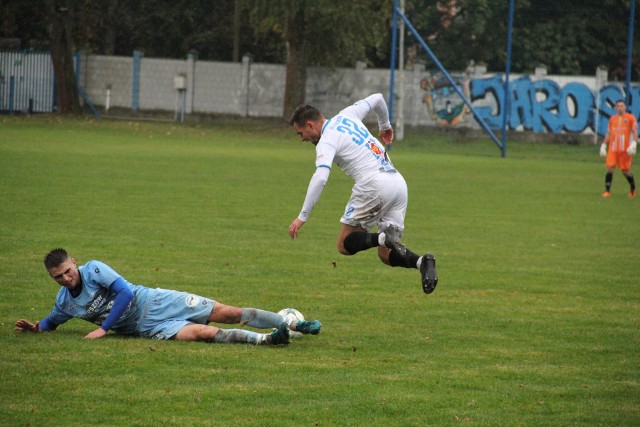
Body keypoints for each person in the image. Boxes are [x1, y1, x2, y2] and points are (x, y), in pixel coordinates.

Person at [288, 93, 438, 294]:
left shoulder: (326, 140)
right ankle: (423, 263)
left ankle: (383, 238)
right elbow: (378, 98)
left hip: (374, 185)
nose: (302, 139)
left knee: (343, 244)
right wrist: (384, 124)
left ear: (310, 125)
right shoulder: (348, 115)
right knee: (385, 255)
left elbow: (321, 177)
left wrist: (302, 216)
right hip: (398, 183)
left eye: (300, 134)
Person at [15, 248, 322, 345]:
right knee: (202, 333)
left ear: (73, 262)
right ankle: (268, 340)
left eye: (68, 271)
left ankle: (292, 323)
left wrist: (104, 327)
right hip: (147, 328)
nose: (67, 278)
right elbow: (54, 320)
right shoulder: (65, 302)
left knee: (228, 312)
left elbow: (123, 292)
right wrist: (38, 327)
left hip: (155, 301)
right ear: (52, 278)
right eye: (59, 277)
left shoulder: (94, 270)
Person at [600, 99, 638, 198]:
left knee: (625, 171)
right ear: (615, 108)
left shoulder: (630, 118)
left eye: (622, 106)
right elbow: (608, 133)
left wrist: (634, 143)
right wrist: (604, 145)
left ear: (625, 107)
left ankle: (633, 190)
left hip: (625, 150)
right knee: (610, 168)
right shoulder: (612, 119)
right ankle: (607, 192)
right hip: (613, 149)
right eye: (618, 106)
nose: (620, 108)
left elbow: (634, 131)